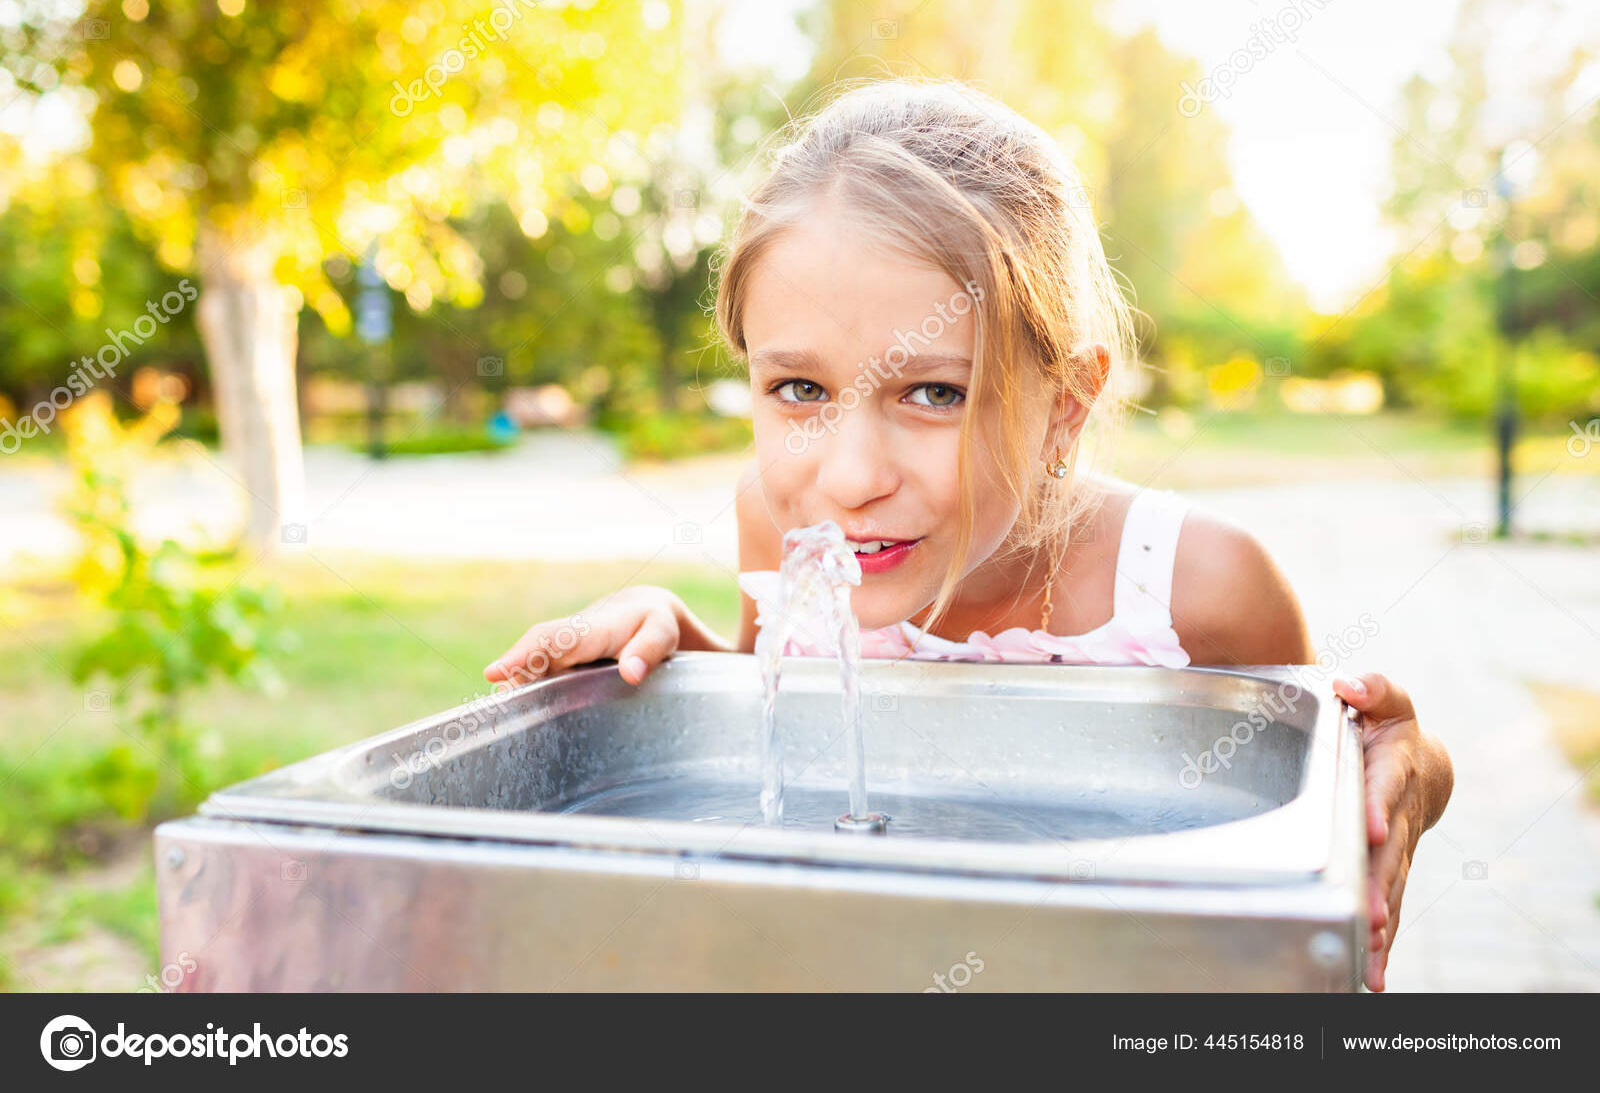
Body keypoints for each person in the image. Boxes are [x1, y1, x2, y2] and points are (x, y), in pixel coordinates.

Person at [485, 77, 1453, 991]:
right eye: (800, 389)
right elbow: (766, 726)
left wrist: (1415, 767)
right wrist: (673, 641)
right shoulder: (774, 522)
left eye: (934, 392)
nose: (851, 476)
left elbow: (1319, 818)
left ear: (1066, 406)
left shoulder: (1199, 583)